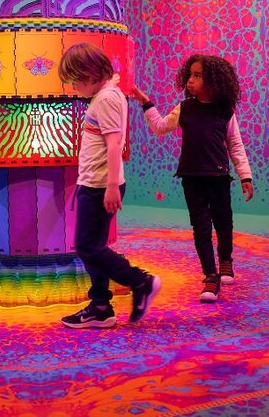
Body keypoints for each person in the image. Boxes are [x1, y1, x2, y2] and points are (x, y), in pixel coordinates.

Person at [132, 54, 254, 303]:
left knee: (223, 223)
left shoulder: (225, 111)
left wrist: (245, 176)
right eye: (190, 75)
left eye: (198, 76)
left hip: (218, 177)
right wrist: (146, 103)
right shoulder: (185, 108)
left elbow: (235, 145)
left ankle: (226, 261)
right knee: (200, 228)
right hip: (191, 177)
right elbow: (160, 126)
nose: (191, 80)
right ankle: (211, 276)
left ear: (214, 81)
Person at [58, 42, 161, 328]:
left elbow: (114, 144)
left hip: (100, 185)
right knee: (94, 246)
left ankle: (141, 282)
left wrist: (112, 186)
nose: (74, 87)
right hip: (94, 183)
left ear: (90, 74)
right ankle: (101, 306)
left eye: (76, 81)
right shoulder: (108, 94)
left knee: (87, 247)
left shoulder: (105, 99)